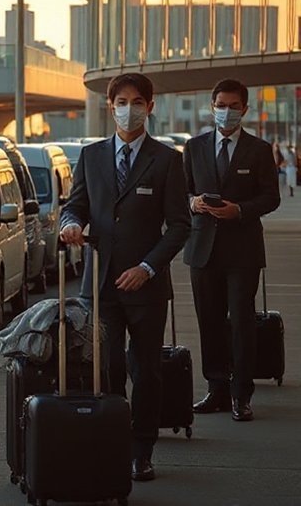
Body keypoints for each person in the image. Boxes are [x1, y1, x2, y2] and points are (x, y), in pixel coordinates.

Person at [59, 72, 190, 482]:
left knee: (145, 369)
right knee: (108, 366)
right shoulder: (91, 156)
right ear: (109, 105)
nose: (128, 109)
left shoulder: (167, 160)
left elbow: (180, 225)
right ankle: (113, 442)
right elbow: (75, 205)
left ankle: (142, 449)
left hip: (146, 286)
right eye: (121, 101)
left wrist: (148, 267)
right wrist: (69, 224)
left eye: (137, 102)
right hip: (99, 284)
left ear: (149, 108)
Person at [183, 79, 280, 423]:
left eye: (233, 106)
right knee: (208, 322)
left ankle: (242, 394)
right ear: (212, 107)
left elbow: (271, 197)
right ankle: (217, 389)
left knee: (241, 323)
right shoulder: (194, 148)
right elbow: (182, 194)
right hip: (202, 250)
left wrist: (238, 209)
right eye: (221, 105)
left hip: (243, 251)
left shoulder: (258, 149)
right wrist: (193, 203)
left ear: (245, 110)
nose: (226, 112)